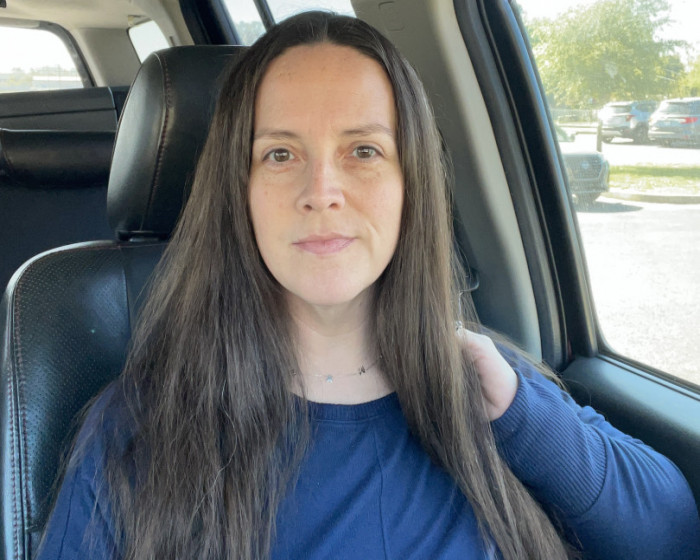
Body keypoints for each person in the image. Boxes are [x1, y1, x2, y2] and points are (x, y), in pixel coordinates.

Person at [36, 11, 700, 560]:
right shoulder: (140, 431)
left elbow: (669, 532)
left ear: (411, 184)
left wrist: (522, 414)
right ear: (239, 192)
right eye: (280, 154)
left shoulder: (492, 390)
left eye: (363, 151)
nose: (322, 192)